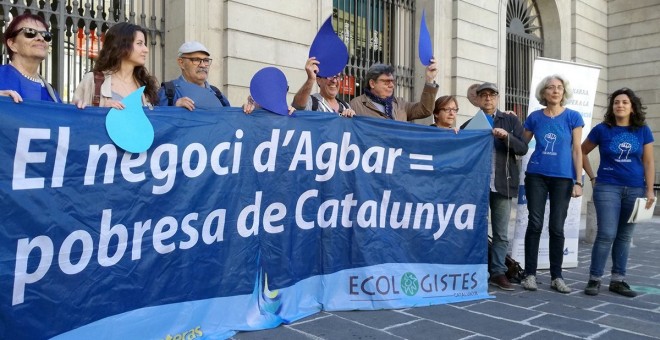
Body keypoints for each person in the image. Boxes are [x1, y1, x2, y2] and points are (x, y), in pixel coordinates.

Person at [582, 88, 655, 297]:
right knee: (606, 233)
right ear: (612, 107)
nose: (620, 105)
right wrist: (593, 177)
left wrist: (650, 190)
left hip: (634, 189)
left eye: (624, 102)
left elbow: (649, 162)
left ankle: (618, 280)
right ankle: (594, 278)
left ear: (632, 107)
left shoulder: (642, 130)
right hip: (607, 187)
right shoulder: (602, 129)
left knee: (624, 235)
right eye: (616, 102)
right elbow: (581, 150)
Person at [460, 83, 528, 290]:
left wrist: (506, 136)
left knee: (500, 232)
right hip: (476, 186)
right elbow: (460, 151)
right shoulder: (470, 124)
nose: (488, 99)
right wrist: (456, 133)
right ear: (478, 100)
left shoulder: (510, 120)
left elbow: (523, 148)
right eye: (484, 96)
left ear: (497, 98)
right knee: (473, 229)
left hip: (503, 183)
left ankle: (498, 272)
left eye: (492, 95)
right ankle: (476, 267)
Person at [520, 75, 584, 294]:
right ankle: (529, 274)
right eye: (551, 88)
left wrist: (578, 181)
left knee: (556, 226)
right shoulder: (535, 117)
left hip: (563, 178)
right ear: (544, 93)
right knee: (535, 223)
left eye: (559, 88)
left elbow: (577, 150)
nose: (555, 91)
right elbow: (521, 144)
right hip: (536, 174)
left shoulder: (573, 117)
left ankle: (557, 276)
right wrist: (507, 129)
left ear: (563, 92)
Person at [73, 22, 159, 108]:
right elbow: (74, 117)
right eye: (139, 43)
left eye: (144, 44)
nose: (146, 50)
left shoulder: (146, 87)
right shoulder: (93, 80)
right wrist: (101, 107)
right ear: (121, 46)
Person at [0, 13, 61, 103]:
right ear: (12, 44)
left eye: (45, 35)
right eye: (30, 32)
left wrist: (77, 111)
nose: (41, 38)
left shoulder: (51, 93)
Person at [349, 60, 438, 121]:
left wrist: (429, 80)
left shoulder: (400, 104)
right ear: (372, 83)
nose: (391, 85)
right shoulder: (356, 104)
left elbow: (425, 110)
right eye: (386, 82)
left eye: (392, 81)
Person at [157, 41, 230, 110]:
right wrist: (174, 109)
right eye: (196, 60)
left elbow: (229, 119)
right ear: (181, 63)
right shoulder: (168, 92)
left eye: (206, 60)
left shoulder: (217, 94)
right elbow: (156, 120)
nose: (203, 65)